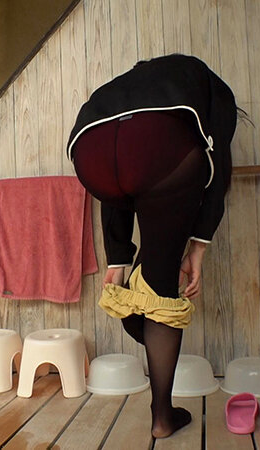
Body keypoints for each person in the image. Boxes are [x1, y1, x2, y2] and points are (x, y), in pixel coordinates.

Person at [67, 53, 239, 438]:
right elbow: (218, 166)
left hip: (89, 151)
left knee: (150, 274)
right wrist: (199, 245)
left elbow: (119, 185)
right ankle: (162, 416)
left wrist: (117, 258)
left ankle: (138, 303)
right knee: (161, 288)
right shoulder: (202, 82)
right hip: (156, 146)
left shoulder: (121, 87)